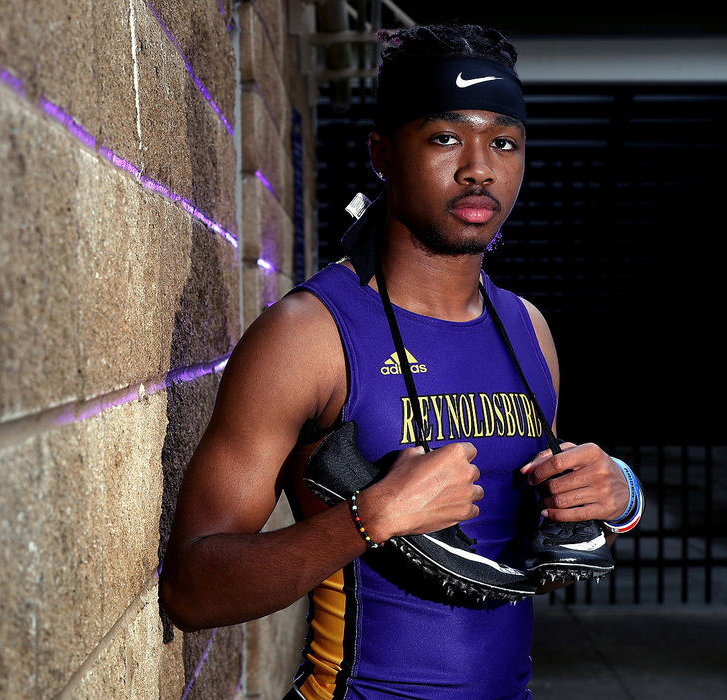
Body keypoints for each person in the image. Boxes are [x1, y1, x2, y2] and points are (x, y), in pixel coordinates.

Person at [159, 23, 644, 699]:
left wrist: (613, 496)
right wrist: (369, 519)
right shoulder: (310, 335)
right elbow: (191, 589)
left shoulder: (527, 329)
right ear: (383, 153)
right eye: (446, 137)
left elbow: (523, 537)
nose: (479, 166)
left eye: (503, 141)